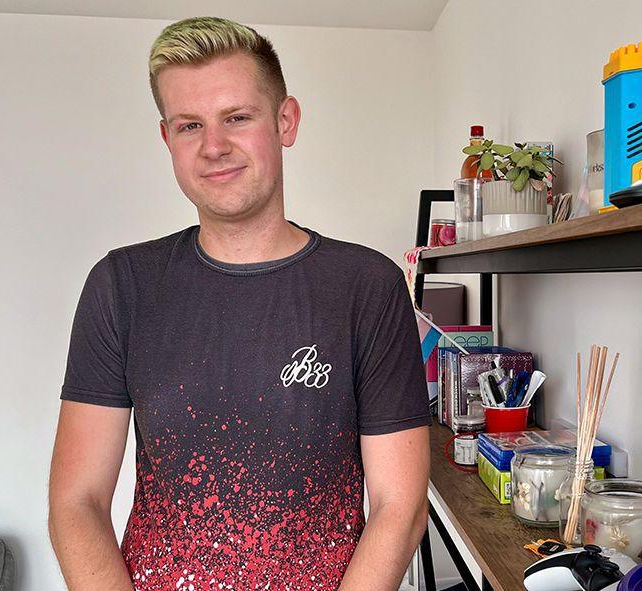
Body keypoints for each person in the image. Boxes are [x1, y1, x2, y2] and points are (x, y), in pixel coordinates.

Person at [47, 16, 431, 591]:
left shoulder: (366, 286)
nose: (214, 147)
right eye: (189, 125)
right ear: (166, 139)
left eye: (237, 117)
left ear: (285, 121)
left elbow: (400, 509)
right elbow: (76, 501)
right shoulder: (121, 286)